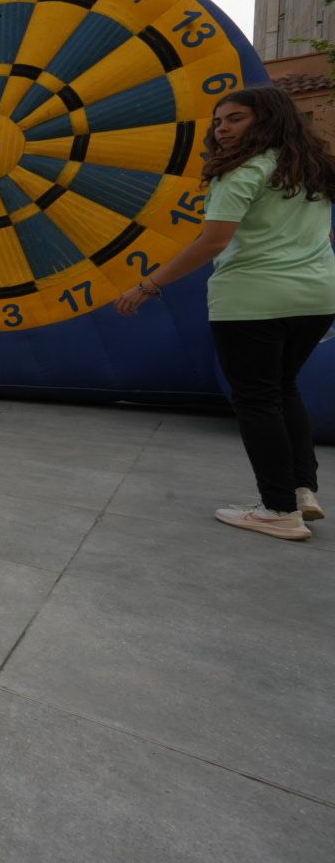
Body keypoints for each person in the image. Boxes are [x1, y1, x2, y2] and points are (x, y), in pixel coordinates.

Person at [116, 87, 335, 542]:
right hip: (316, 298)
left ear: (267, 120)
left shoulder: (241, 173)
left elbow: (213, 241)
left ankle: (277, 509)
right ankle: (300, 488)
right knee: (282, 388)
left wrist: (147, 285)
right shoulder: (311, 171)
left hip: (252, 300)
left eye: (235, 119)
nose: (222, 129)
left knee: (256, 399)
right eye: (218, 122)